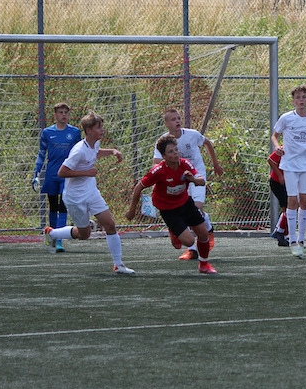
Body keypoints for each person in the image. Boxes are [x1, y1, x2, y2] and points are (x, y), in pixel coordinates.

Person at [43, 111, 134, 275]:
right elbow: (62, 172)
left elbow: (96, 153)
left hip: (91, 192)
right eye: (99, 127)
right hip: (74, 197)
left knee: (110, 224)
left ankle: (118, 265)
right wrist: (86, 172)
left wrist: (112, 151)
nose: (102, 130)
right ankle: (53, 233)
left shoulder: (95, 144)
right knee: (84, 234)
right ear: (89, 130)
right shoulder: (78, 151)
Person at [126, 134, 216, 274]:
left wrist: (192, 179)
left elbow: (202, 181)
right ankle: (174, 231)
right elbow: (139, 187)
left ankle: (204, 265)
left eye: (176, 150)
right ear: (164, 156)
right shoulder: (158, 171)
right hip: (168, 209)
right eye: (171, 151)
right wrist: (132, 209)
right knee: (189, 241)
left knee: (204, 234)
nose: (175, 153)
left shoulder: (185, 164)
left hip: (185, 203)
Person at [153, 108, 223, 261]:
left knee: (195, 208)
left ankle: (207, 229)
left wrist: (215, 164)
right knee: (183, 210)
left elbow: (207, 143)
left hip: (196, 175)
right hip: (178, 180)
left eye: (178, 118)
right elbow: (156, 163)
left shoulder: (192, 134)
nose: (177, 121)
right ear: (166, 123)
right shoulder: (163, 142)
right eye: (173, 119)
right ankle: (191, 247)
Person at [271, 85, 306, 259]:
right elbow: (274, 135)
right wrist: (277, 147)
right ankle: (292, 240)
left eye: (304, 97)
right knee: (292, 200)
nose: (301, 100)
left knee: (304, 201)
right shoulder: (286, 118)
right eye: (298, 98)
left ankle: (301, 239)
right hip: (289, 165)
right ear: (293, 101)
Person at [33, 102, 82, 254]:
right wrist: (36, 174)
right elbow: (42, 153)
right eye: (61, 112)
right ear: (55, 115)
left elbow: (79, 153)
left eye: (66, 112)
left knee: (64, 205)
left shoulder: (74, 132)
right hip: (52, 174)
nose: (64, 115)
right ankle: (52, 235)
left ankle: (60, 239)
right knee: (53, 206)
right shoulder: (47, 132)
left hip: (67, 175)